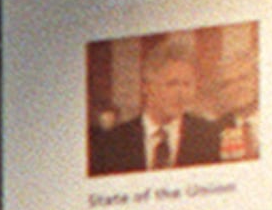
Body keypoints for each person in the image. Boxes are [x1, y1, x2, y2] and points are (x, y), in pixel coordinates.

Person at [90, 36, 241, 173]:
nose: (181, 93)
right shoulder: (111, 143)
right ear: (147, 88)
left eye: (187, 84)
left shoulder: (211, 137)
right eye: (172, 84)